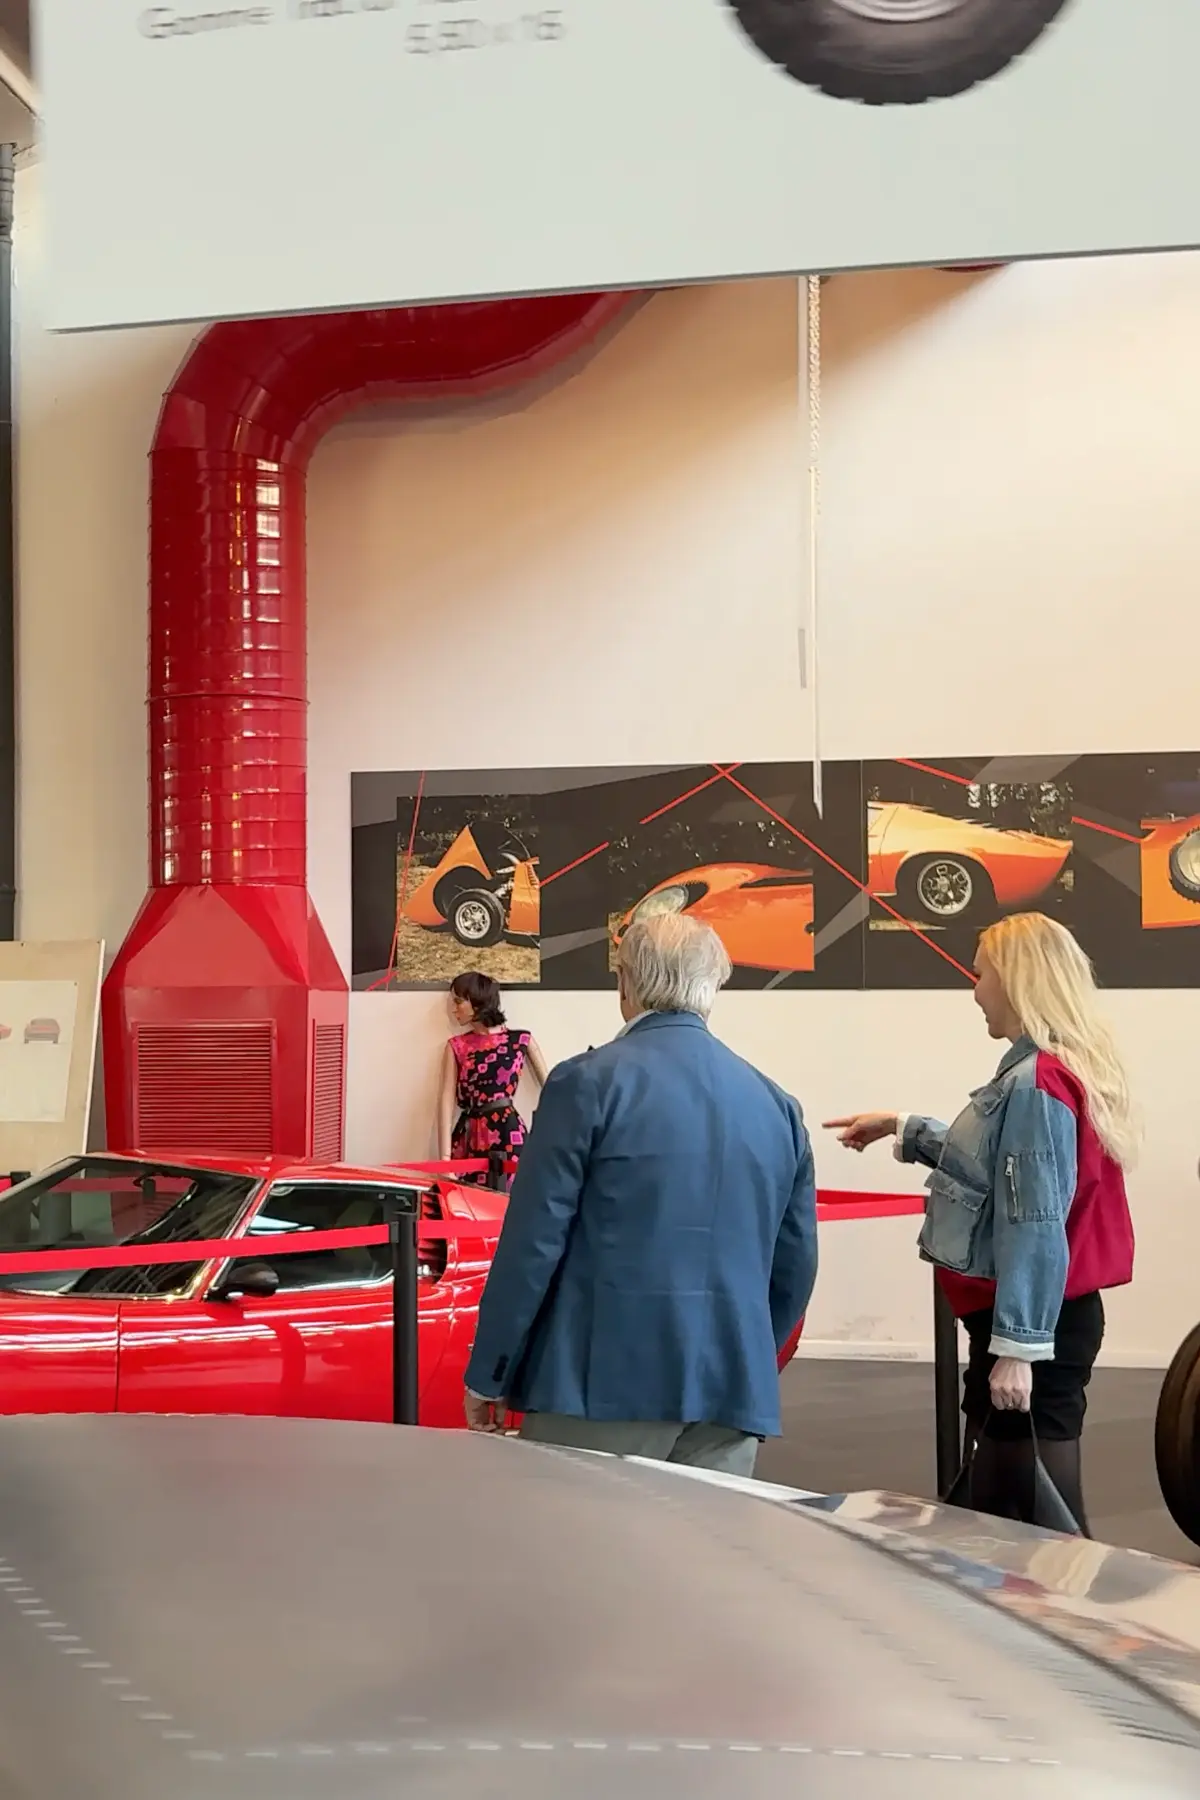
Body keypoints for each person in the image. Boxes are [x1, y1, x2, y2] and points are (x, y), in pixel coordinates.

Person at [462, 913, 818, 1475]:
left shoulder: (585, 1083)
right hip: (729, 1394)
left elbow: (533, 1242)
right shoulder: (777, 1105)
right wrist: (745, 1356)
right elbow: (794, 1268)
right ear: (713, 987)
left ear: (625, 984)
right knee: (705, 1557)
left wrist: (490, 1369)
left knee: (584, 1558)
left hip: (596, 1386)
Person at [825, 912, 1136, 1534]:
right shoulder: (1048, 1072)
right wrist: (903, 1127)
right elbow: (993, 1170)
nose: (974, 988)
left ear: (1017, 981)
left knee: (1040, 1524)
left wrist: (1018, 1349)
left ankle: (1065, 1625)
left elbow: (1034, 1219)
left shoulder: (1037, 1083)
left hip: (1029, 1328)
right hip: (1034, 1322)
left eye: (982, 971)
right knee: (1014, 1518)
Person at [438, 973, 548, 1185]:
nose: (454, 1009)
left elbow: (551, 1088)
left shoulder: (520, 1040)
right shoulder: (457, 1046)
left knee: (513, 1200)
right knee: (466, 1205)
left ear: (478, 1002)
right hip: (470, 1136)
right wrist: (444, 1159)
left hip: (509, 1133)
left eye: (459, 1001)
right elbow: (445, 1101)